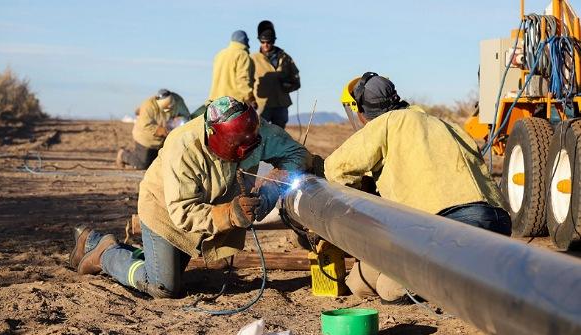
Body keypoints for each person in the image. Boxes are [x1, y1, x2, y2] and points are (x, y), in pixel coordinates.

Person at [71, 96, 310, 298]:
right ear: (213, 136)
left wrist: (269, 190)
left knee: (167, 267)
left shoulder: (255, 131)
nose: (243, 154)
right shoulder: (183, 147)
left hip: (205, 210)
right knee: (163, 286)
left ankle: (91, 240)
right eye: (235, 148)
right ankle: (105, 254)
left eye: (249, 146)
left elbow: (297, 154)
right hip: (165, 210)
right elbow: (182, 212)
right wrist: (230, 214)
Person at [325, 72, 511, 303]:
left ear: (363, 110)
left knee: (391, 289)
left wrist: (355, 208)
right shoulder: (445, 124)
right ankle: (480, 270)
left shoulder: (386, 122)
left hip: (447, 225)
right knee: (360, 283)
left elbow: (335, 168)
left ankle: (462, 281)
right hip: (497, 222)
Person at [116, 89, 190, 169]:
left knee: (161, 163)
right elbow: (145, 126)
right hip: (145, 138)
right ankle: (123, 155)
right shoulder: (148, 106)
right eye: (166, 107)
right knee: (142, 164)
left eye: (170, 105)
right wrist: (160, 130)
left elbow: (186, 116)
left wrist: (179, 120)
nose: (169, 108)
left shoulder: (178, 100)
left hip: (165, 139)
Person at [251, 20, 300, 129]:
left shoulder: (285, 58)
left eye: (268, 42)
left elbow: (296, 80)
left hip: (281, 104)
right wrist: (250, 100)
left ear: (273, 41)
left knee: (279, 135)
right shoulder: (253, 59)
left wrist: (289, 86)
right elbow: (247, 81)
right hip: (261, 105)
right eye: (263, 42)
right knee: (259, 134)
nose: (266, 45)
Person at [208, 30, 257, 109]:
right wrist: (250, 98)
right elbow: (243, 79)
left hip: (216, 102)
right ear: (245, 41)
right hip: (233, 103)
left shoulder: (220, 54)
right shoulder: (242, 55)